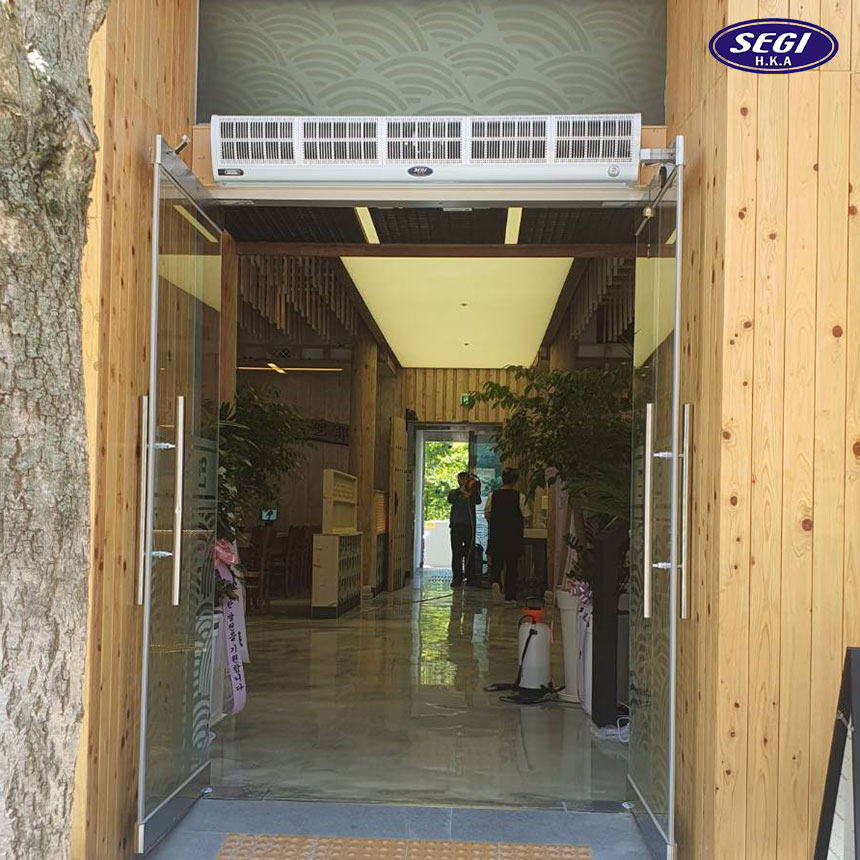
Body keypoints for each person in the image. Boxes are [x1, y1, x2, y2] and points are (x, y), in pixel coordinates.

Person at [484, 467, 530, 604]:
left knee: (496, 564)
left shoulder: (493, 495)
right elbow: (527, 516)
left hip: (496, 535)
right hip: (513, 537)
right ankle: (510, 596)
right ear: (515, 480)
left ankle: (496, 584)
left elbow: (487, 513)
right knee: (511, 566)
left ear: (502, 479)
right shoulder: (520, 497)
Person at [447, 471, 481, 588]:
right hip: (456, 525)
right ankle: (457, 578)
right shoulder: (454, 493)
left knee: (469, 552)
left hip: (469, 525)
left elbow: (478, 501)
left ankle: (471, 578)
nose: (462, 481)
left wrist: (470, 494)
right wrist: (460, 491)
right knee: (456, 553)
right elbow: (450, 499)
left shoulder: (473, 493)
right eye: (460, 479)